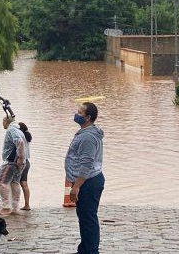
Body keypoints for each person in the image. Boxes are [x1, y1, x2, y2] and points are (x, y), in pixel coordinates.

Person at [65, 102, 104, 254]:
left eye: (80, 113)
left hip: (88, 182)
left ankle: (91, 251)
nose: (77, 114)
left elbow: (86, 164)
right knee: (85, 217)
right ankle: (85, 249)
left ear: (88, 117)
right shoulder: (86, 132)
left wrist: (76, 187)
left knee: (88, 219)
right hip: (86, 181)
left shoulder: (88, 137)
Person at [0, 115, 26, 216]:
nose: (2, 124)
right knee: (14, 183)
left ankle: (6, 207)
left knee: (0, 182)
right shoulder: (19, 130)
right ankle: (15, 208)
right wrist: (21, 159)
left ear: (6, 122)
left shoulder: (11, 130)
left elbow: (20, 142)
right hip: (19, 162)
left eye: (2, 122)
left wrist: (20, 158)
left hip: (12, 162)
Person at [18, 122, 32, 211]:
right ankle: (27, 205)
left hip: (22, 162)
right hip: (27, 162)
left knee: (17, 183)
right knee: (24, 183)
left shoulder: (20, 138)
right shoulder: (26, 138)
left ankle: (13, 205)